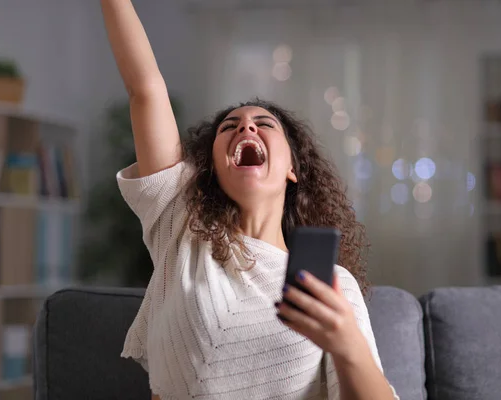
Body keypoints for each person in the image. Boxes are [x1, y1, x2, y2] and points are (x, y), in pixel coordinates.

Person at [101, 1, 400, 399]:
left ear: (293, 167)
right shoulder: (180, 225)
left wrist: (348, 344)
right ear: (213, 167)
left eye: (264, 125)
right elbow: (145, 89)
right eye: (231, 126)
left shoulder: (332, 284)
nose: (246, 126)